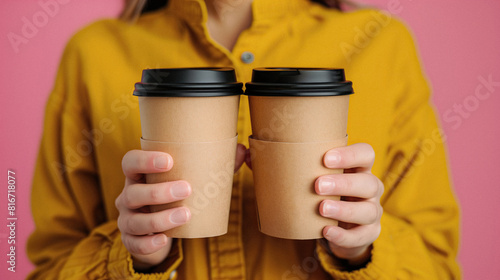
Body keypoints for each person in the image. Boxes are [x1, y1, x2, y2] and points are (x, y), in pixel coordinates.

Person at [27, 0, 461, 279]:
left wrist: (362, 251)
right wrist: (135, 258)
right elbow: (49, 266)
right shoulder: (94, 53)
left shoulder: (381, 45)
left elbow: (439, 267)